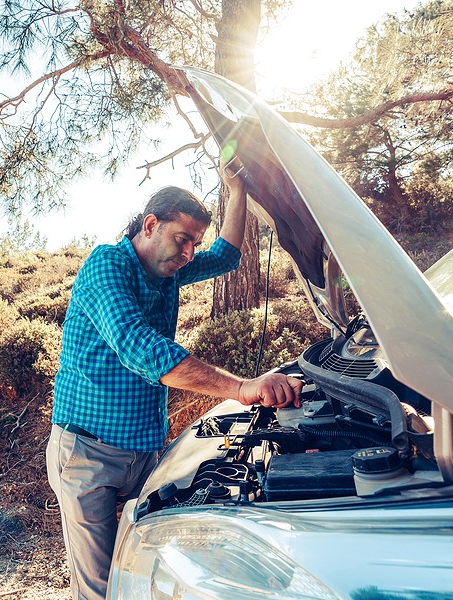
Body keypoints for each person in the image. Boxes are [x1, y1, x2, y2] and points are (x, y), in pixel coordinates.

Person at [46, 160, 303, 599]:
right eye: (182, 239)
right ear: (150, 224)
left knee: (140, 573)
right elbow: (139, 347)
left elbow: (225, 255)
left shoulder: (170, 269)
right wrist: (241, 388)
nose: (188, 253)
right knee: (100, 588)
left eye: (193, 243)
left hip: (144, 452)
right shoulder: (107, 264)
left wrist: (235, 191)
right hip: (88, 455)